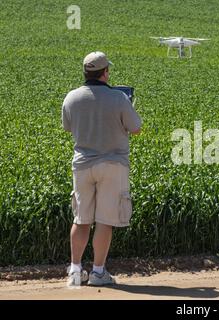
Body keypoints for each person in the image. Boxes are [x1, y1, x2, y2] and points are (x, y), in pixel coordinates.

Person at [62, 51, 142, 287]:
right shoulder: (119, 98)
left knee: (81, 218)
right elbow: (136, 128)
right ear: (105, 73)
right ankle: (98, 273)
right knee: (105, 220)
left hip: (82, 164)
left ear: (86, 72)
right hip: (112, 164)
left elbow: (67, 127)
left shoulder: (71, 97)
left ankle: (75, 271)